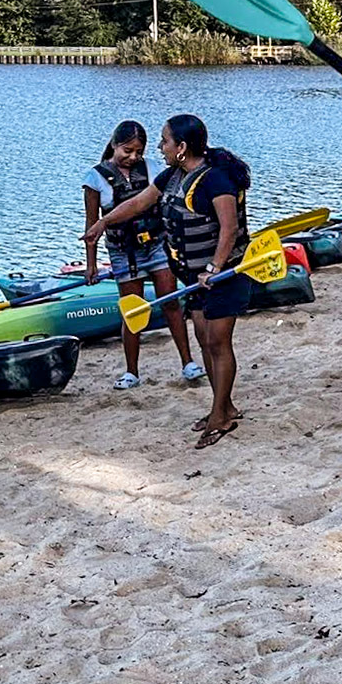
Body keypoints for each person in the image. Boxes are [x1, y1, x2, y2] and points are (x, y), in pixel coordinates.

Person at [85, 114, 251, 449]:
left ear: (182, 147)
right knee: (205, 339)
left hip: (223, 275)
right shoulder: (174, 175)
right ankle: (224, 406)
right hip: (194, 277)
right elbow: (137, 203)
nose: (160, 148)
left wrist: (215, 268)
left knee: (218, 343)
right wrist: (103, 224)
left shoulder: (216, 180)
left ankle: (221, 416)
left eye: (164, 141)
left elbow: (229, 228)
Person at [81, 119, 204, 389]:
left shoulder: (152, 169)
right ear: (114, 145)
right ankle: (131, 372)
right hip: (123, 252)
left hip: (157, 245)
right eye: (127, 151)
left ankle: (188, 363)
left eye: (138, 151)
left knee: (171, 302)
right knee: (132, 311)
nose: (133, 157)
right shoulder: (95, 178)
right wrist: (91, 265)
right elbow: (91, 226)